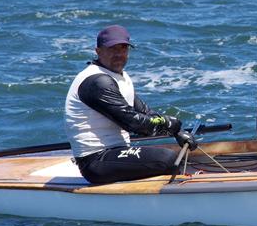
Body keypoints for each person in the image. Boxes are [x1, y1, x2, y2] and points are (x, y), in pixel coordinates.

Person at [65, 25, 196, 184]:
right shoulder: (97, 81)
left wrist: (178, 131)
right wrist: (169, 123)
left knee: (174, 156)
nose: (119, 54)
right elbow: (133, 122)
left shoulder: (120, 77)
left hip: (116, 151)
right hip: (95, 160)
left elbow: (145, 112)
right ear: (98, 51)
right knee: (167, 158)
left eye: (123, 49)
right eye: (113, 49)